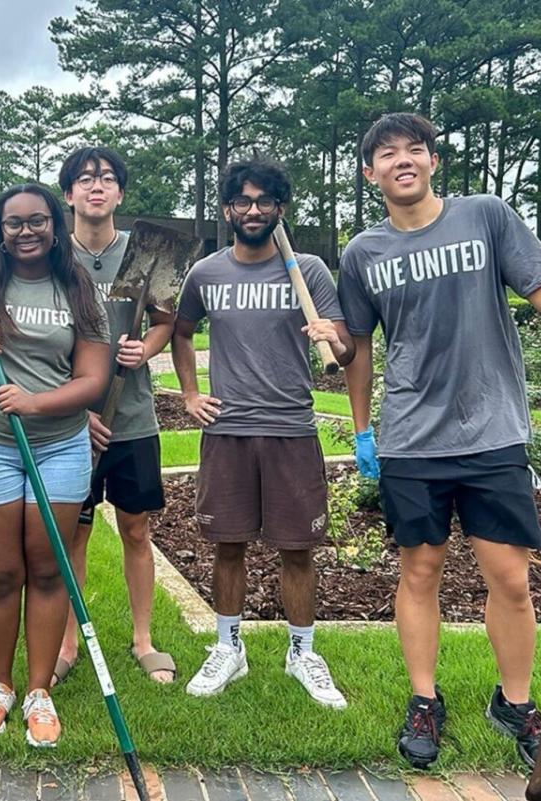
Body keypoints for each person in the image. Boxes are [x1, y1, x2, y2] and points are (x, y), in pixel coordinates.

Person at [338, 112, 541, 769]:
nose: (403, 160)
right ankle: (423, 700)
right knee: (420, 570)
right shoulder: (362, 253)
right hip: (412, 437)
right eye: (388, 154)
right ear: (370, 172)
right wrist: (363, 430)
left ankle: (515, 703)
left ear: (433, 161)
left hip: (492, 429)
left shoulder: (485, 215)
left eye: (416, 149)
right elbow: (357, 347)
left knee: (512, 578)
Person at [0, 184, 110, 748]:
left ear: (55, 226)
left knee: (49, 568)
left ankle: (38, 690)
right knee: (2, 572)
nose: (26, 231)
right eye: (14, 223)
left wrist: (34, 402)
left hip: (58, 445)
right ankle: (0, 685)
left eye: (37, 221)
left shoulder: (80, 290)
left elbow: (92, 380)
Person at [170, 160, 354, 707]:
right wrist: (189, 393)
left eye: (265, 201)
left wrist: (333, 339)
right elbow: (180, 333)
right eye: (243, 201)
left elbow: (342, 350)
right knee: (228, 545)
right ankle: (229, 648)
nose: (253, 210)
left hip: (291, 430)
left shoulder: (312, 271)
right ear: (227, 210)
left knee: (297, 550)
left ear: (281, 209)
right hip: (227, 430)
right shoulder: (207, 273)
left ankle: (303, 653)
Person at [52, 146, 176, 686]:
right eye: (84, 180)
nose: (95, 187)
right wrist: (75, 409)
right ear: (69, 195)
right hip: (69, 422)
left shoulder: (144, 253)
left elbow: (164, 320)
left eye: (105, 179)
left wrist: (145, 349)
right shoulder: (54, 256)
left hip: (132, 418)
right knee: (73, 533)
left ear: (120, 193)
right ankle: (67, 640)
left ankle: (143, 639)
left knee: (135, 529)